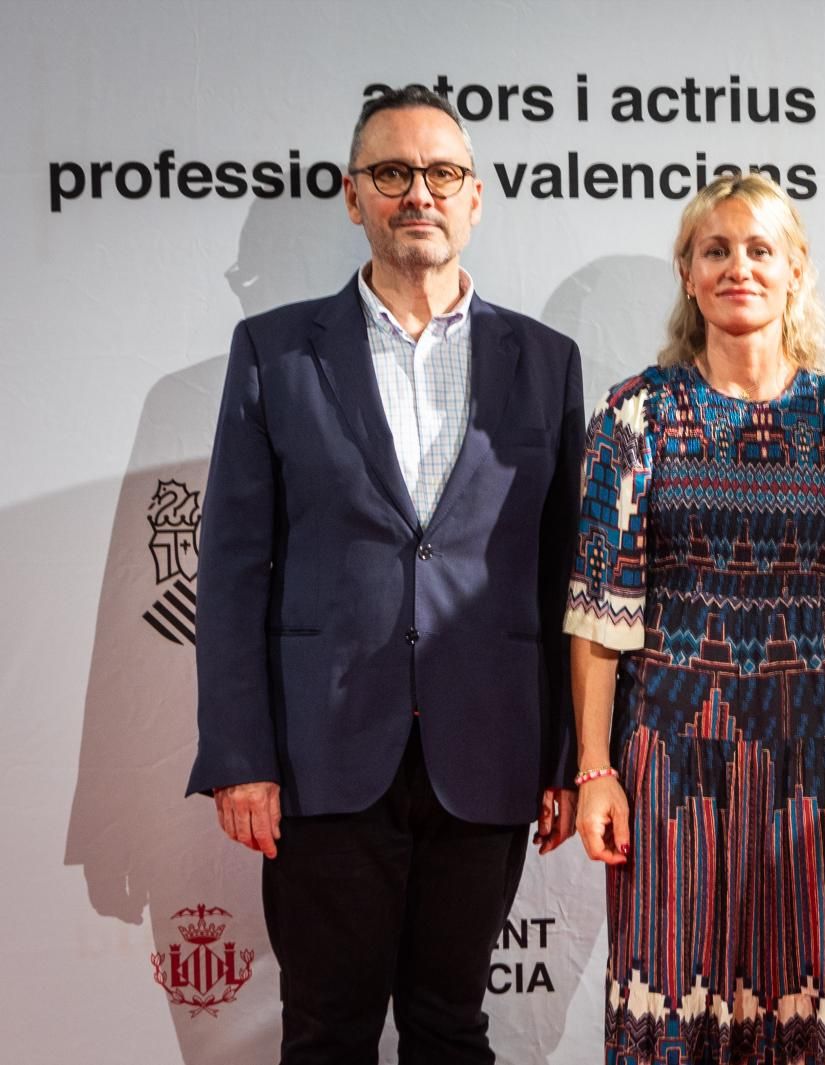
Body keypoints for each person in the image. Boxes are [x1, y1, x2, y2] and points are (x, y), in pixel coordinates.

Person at [186, 86, 584, 1063]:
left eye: (441, 173)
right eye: (393, 173)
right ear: (353, 194)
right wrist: (240, 752)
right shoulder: (274, 353)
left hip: (487, 750)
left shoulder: (546, 361)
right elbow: (233, 569)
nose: (420, 193)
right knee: (327, 1032)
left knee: (452, 1028)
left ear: (475, 197)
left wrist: (574, 752)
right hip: (324, 755)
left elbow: (568, 574)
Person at [564, 172, 825, 1065]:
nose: (738, 267)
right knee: (671, 1007)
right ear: (687, 272)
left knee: (821, 1001)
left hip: (819, 760)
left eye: (760, 249)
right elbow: (600, 614)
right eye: (715, 250)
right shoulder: (634, 418)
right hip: (668, 760)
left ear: (796, 268)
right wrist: (596, 768)